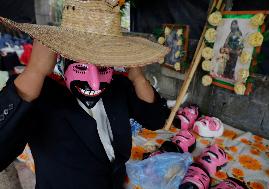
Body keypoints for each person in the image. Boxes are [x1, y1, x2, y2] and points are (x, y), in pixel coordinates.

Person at [0, 0, 170, 188]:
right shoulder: (40, 96)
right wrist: (34, 72)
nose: (95, 82)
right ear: (62, 59)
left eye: (103, 67)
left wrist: (138, 77)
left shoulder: (118, 86)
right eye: (81, 67)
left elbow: (156, 119)